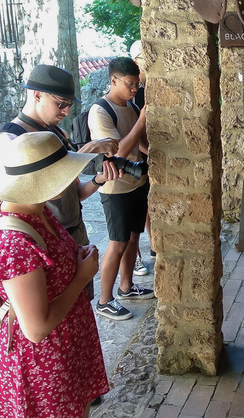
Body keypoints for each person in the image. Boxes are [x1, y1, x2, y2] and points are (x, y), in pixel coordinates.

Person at [0, 131, 109, 418]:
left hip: (65, 348)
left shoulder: (38, 211)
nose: (71, 177)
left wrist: (76, 259)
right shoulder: (13, 244)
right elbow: (35, 330)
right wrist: (82, 277)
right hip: (43, 364)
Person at [0, 64, 120, 248]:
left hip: (75, 235)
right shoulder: (9, 140)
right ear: (37, 95)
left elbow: (70, 194)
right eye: (61, 103)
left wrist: (99, 179)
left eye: (69, 105)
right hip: (43, 242)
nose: (66, 112)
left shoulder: (58, 135)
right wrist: (88, 150)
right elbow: (38, 193)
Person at [89, 57, 154, 321]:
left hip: (136, 182)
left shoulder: (128, 105)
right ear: (113, 80)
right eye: (130, 84)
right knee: (117, 244)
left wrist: (151, 153)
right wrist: (141, 121)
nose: (134, 89)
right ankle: (105, 300)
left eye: (137, 84)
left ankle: (126, 287)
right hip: (115, 188)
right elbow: (118, 151)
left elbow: (138, 144)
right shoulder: (101, 111)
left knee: (133, 239)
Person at [129, 41, 155, 278]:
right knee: (132, 214)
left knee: (147, 204)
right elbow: (132, 131)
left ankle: (154, 243)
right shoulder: (131, 94)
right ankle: (135, 259)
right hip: (138, 157)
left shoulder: (148, 88)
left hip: (147, 156)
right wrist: (149, 152)